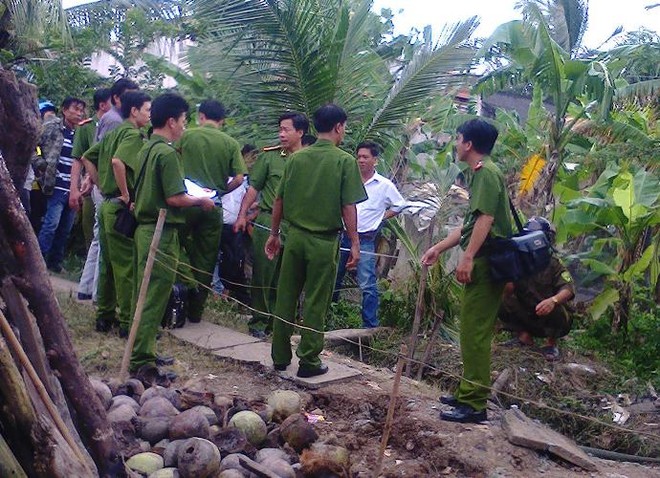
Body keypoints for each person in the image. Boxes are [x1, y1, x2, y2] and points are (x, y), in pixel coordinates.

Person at [265, 104, 367, 378]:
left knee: (286, 295)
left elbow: (279, 199)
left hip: (294, 237)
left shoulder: (296, 158)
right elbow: (349, 206)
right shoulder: (344, 161)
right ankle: (308, 360)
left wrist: (274, 234)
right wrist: (355, 242)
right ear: (337, 127)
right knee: (316, 301)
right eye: (344, 127)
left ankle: (279, 356)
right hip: (323, 241)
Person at [421, 118, 512, 424]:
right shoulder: (481, 173)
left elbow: (485, 219)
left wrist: (468, 257)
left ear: (469, 144)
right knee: (471, 330)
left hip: (487, 262)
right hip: (485, 260)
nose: (456, 143)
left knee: (475, 333)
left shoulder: (485, 173)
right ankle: (466, 392)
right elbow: (470, 224)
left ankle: (474, 404)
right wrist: (440, 248)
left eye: (458, 138)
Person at [129, 93, 215, 375]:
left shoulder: (146, 149)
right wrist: (201, 201)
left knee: (142, 291)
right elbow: (176, 198)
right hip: (160, 231)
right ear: (171, 121)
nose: (184, 127)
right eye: (183, 121)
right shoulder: (166, 153)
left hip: (145, 228)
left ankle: (144, 349)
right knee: (154, 293)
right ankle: (142, 359)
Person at [81, 91, 152, 334]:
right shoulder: (132, 134)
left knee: (108, 263)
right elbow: (117, 162)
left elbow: (87, 156)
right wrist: (125, 193)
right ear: (134, 111)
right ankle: (126, 322)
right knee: (125, 267)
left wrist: (100, 183)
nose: (149, 115)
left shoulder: (114, 133)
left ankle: (104, 315)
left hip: (106, 205)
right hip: (119, 207)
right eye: (147, 110)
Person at [234, 112, 309, 338]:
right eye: (280, 129)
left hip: (296, 225)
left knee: (287, 278)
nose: (281, 134)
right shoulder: (270, 157)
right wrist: (242, 215)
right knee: (263, 274)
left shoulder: (310, 159)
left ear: (300, 132)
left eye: (286, 130)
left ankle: (279, 324)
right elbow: (253, 189)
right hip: (268, 222)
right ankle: (259, 322)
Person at [177, 99, 247, 323]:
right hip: (213, 206)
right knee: (206, 259)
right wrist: (219, 191)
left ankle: (182, 289)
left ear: (201, 116)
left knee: (173, 245)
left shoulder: (187, 136)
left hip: (185, 202)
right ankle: (195, 311)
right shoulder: (230, 143)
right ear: (222, 121)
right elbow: (239, 177)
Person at [333, 141, 405, 328]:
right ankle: (328, 316)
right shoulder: (348, 179)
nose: (361, 160)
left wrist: (381, 216)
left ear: (375, 160)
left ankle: (369, 326)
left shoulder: (384, 185)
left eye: (365, 157)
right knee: (334, 277)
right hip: (342, 236)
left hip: (365, 239)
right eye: (359, 157)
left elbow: (400, 205)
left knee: (367, 283)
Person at [498, 217, 575, 361]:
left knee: (558, 308)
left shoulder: (553, 263)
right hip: (527, 311)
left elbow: (568, 288)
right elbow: (508, 291)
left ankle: (551, 343)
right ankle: (524, 336)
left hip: (548, 313)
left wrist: (553, 300)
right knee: (501, 301)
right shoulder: (518, 261)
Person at [70, 87, 112, 301]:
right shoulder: (87, 128)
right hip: (96, 187)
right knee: (98, 236)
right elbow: (79, 159)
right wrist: (74, 189)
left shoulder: (113, 124)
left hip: (95, 184)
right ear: (103, 105)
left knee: (97, 236)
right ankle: (95, 291)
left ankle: (87, 287)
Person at [36, 97, 86, 272]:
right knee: (51, 224)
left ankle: (55, 262)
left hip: (73, 187)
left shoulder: (82, 133)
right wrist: (40, 163)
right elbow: (36, 144)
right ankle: (39, 260)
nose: (79, 113)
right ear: (64, 110)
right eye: (75, 109)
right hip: (55, 184)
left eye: (81, 110)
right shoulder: (52, 127)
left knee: (65, 228)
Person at [95, 78, 139, 142]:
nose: (133, 101)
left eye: (135, 98)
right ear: (116, 98)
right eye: (129, 97)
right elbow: (107, 149)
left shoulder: (117, 117)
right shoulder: (115, 120)